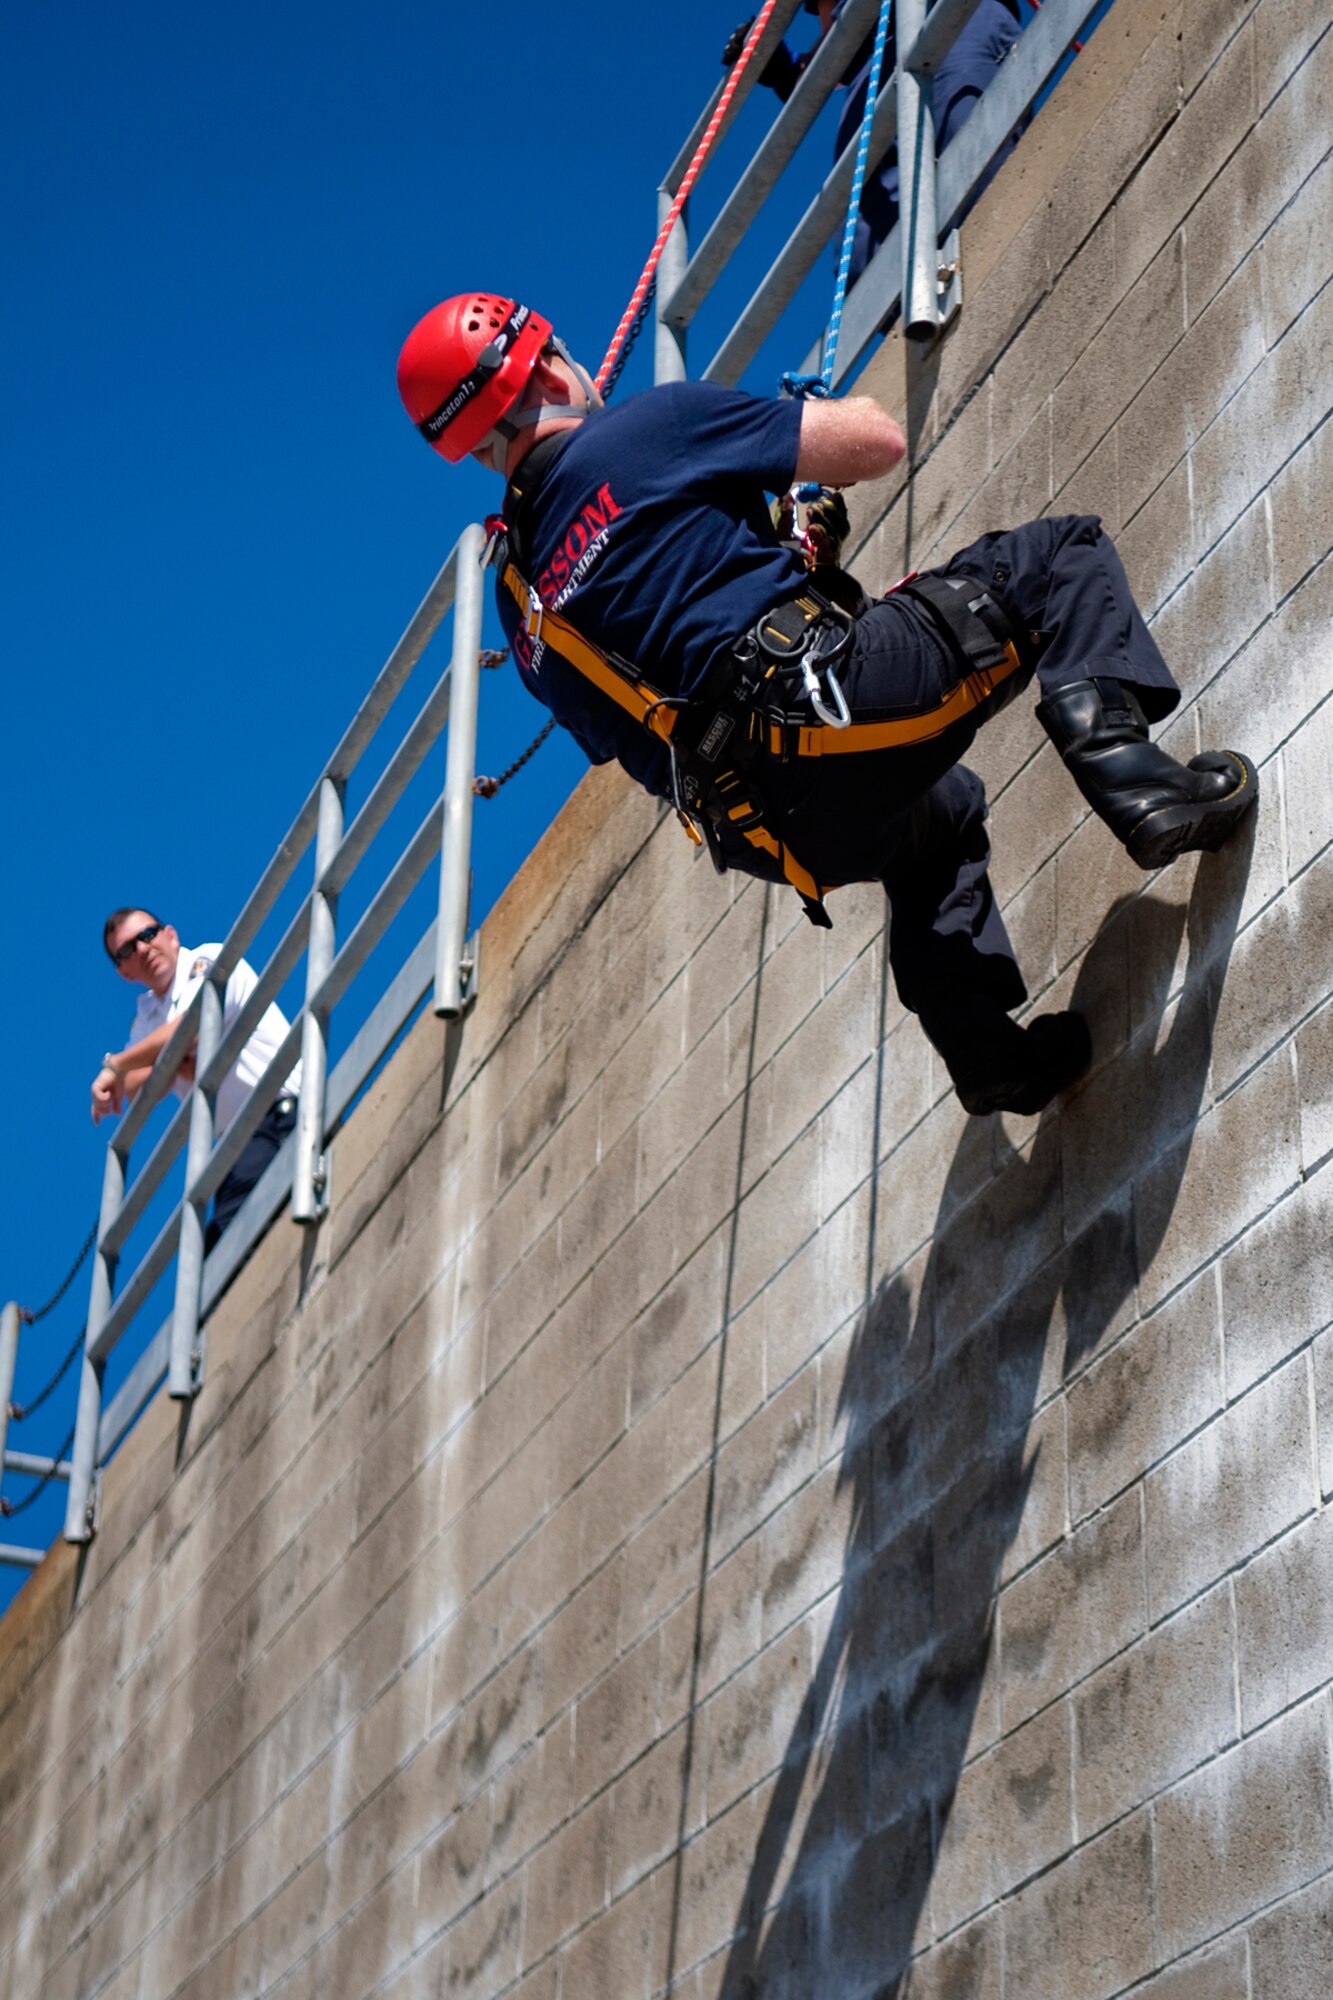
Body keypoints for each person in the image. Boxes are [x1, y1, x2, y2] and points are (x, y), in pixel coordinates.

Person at [395, 294, 1257, 1116]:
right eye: (567, 358)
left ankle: (989, 1057)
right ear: (546, 374)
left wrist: (790, 557)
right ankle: (1140, 785)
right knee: (1057, 560)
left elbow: (658, 694)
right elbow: (873, 443)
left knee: (940, 818)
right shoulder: (645, 427)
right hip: (833, 699)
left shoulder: (522, 604)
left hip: (768, 829)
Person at [725, 0, 1026, 284]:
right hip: (873, 63)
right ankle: (915, 323)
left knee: (977, 159)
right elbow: (839, 30)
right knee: (863, 243)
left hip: (951, 13)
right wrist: (784, 73)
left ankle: (1013, 270)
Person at [91, 910, 302, 1247]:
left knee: (230, 1250)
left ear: (170, 935)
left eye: (147, 935)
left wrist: (121, 1063)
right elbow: (132, 1087)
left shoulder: (208, 959)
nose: (143, 949)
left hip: (282, 1114)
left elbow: (191, 1027)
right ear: (123, 970)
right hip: (239, 1144)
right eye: (127, 950)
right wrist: (168, 1059)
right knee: (220, 1255)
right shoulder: (147, 1014)